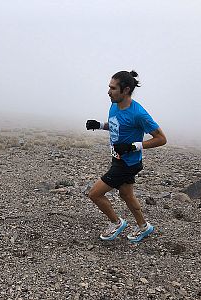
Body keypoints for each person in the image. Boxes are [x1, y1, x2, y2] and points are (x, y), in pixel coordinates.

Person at [86, 70, 167, 243]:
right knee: (127, 195)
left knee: (94, 194)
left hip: (127, 163)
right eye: (109, 87)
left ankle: (116, 223)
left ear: (126, 89)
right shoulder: (114, 105)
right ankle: (144, 227)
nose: (109, 92)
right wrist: (99, 125)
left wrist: (134, 146)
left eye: (113, 88)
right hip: (118, 158)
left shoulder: (138, 114)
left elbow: (161, 139)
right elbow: (117, 126)